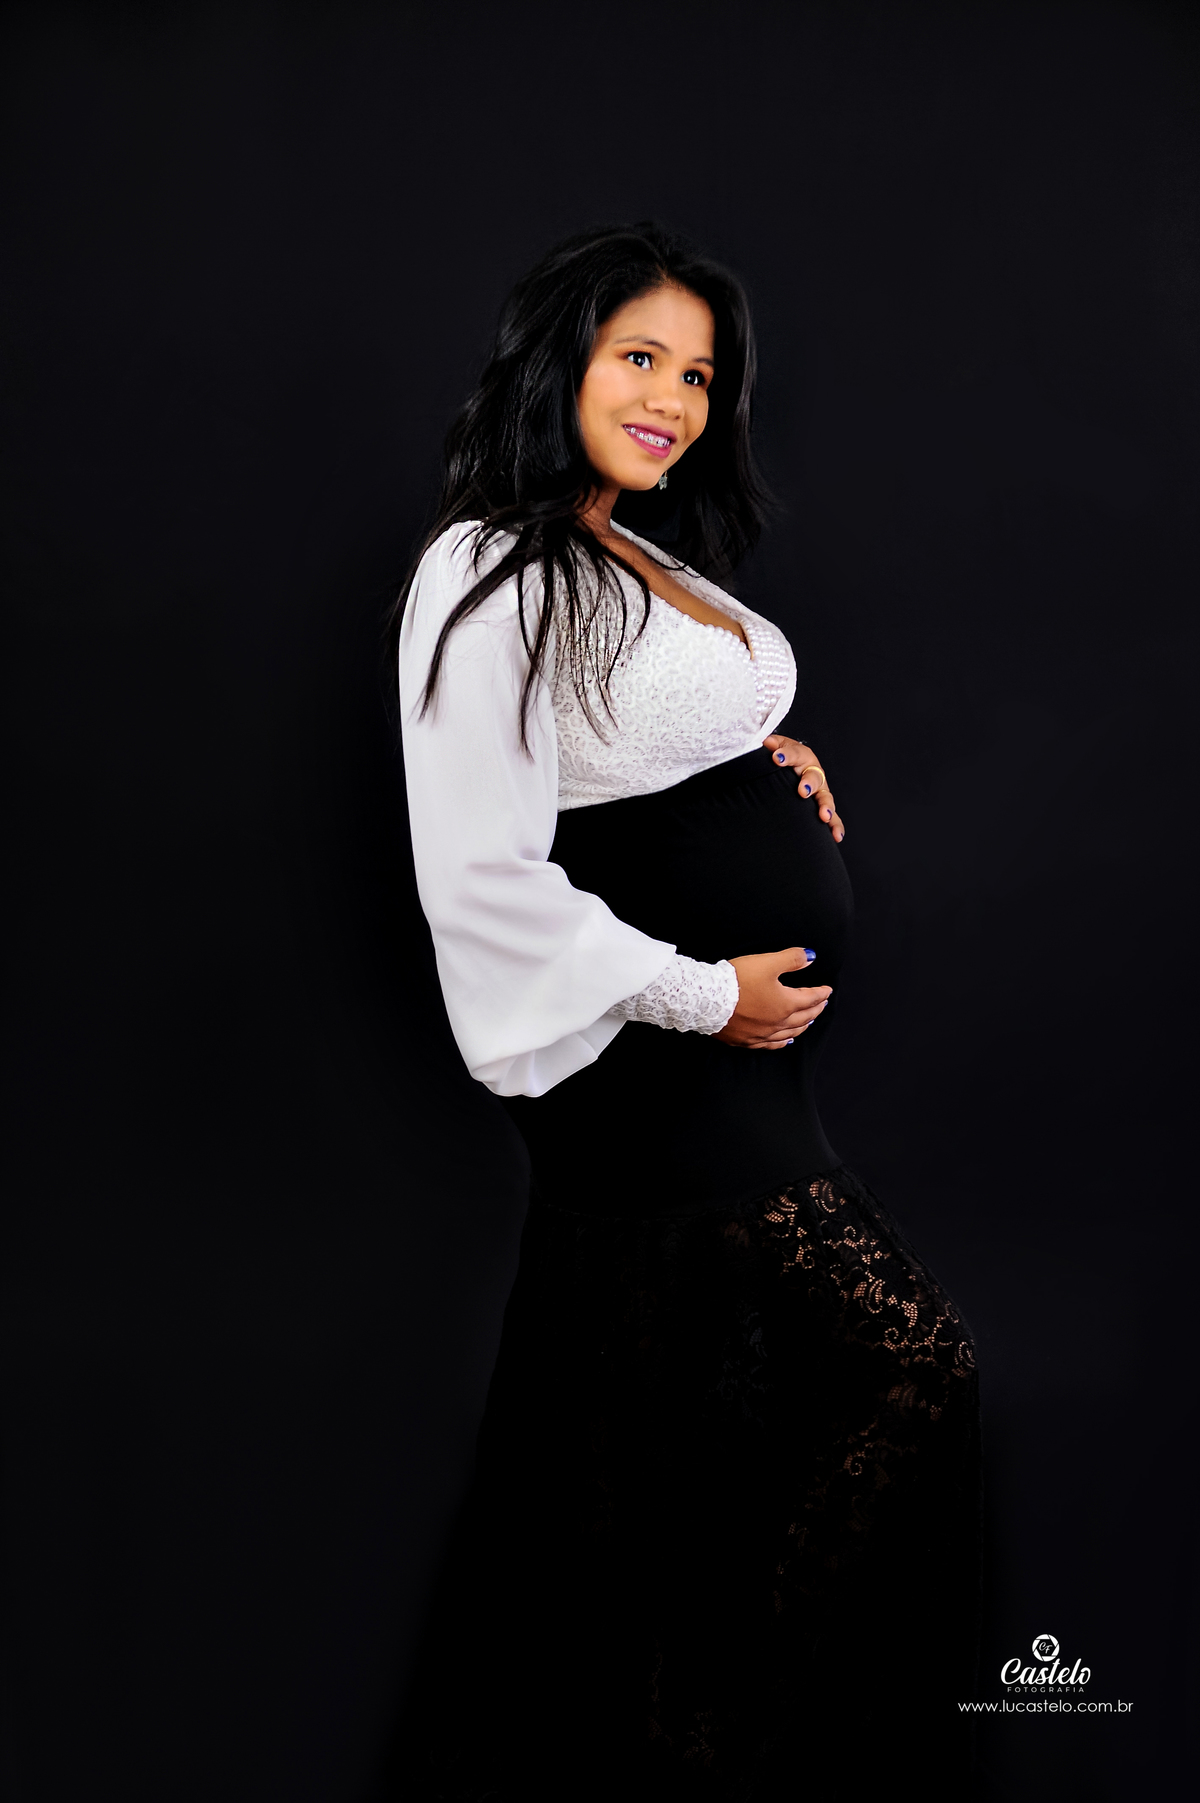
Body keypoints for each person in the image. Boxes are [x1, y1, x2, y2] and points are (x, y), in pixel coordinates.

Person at [386, 223, 981, 1802]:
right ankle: (706, 1738)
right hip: (652, 1067)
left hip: (727, 1072)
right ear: (558, 362)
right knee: (903, 1367)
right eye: (638, 357)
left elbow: (626, 739)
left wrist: (756, 754)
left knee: (663, 1430)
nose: (672, 399)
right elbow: (476, 869)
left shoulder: (626, 549)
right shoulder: (486, 565)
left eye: (700, 375)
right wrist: (701, 992)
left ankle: (671, 1746)